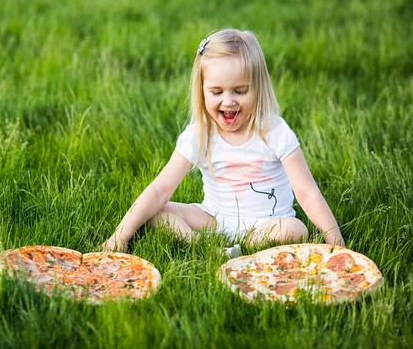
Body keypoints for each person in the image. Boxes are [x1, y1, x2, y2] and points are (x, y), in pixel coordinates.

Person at [101, 29, 345, 253]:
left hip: (270, 224)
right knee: (156, 213)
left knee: (296, 229)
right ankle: (204, 247)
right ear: (202, 90)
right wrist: (120, 235)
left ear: (258, 88)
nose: (228, 101)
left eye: (240, 91)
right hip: (215, 220)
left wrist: (337, 243)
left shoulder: (274, 131)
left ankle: (248, 245)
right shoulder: (199, 134)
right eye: (217, 92)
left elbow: (307, 192)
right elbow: (159, 190)